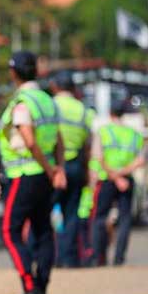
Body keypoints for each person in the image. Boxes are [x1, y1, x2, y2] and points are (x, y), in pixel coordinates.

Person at [0, 50, 66, 294]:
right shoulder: (48, 100)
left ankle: (30, 287)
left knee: (9, 230)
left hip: (24, 174)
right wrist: (57, 168)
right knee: (44, 231)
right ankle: (42, 289)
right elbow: (58, 139)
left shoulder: (22, 102)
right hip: (45, 176)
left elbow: (29, 140)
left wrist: (50, 169)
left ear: (14, 72)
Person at [90, 101, 145, 266]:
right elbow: (140, 160)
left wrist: (115, 176)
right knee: (125, 219)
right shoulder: (134, 134)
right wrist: (122, 175)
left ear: (110, 114)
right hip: (126, 180)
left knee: (99, 218)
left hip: (107, 179)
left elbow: (98, 157)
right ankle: (119, 258)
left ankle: (99, 258)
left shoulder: (104, 132)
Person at [50, 71, 94, 267]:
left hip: (52, 165)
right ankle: (67, 259)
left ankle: (44, 256)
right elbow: (88, 145)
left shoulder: (50, 105)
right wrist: (86, 171)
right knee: (71, 213)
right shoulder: (84, 110)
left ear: (56, 86)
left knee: (43, 212)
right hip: (75, 164)